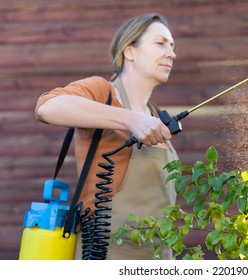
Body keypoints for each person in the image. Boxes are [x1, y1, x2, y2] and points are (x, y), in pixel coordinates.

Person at [35, 13, 178, 260]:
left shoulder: (155, 115)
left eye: (172, 46)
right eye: (160, 43)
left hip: (158, 257)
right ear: (129, 51)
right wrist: (130, 118)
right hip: (105, 254)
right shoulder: (102, 91)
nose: (171, 53)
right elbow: (47, 107)